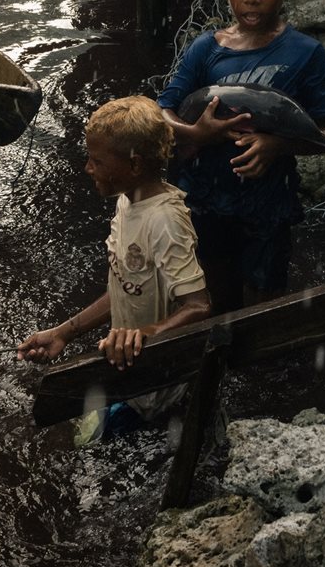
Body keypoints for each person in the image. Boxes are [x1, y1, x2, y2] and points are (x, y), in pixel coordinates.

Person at [158, 0, 325, 312]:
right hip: (206, 198)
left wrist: (277, 145)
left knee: (265, 299)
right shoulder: (206, 50)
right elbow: (161, 112)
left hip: (268, 203)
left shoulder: (307, 53)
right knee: (214, 294)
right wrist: (197, 133)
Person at [17, 98, 212, 429]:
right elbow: (125, 286)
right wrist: (63, 333)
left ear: (134, 165)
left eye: (97, 160)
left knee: (73, 442)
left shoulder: (165, 222)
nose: (88, 168)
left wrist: (144, 335)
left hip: (155, 389)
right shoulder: (127, 200)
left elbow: (199, 306)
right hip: (126, 372)